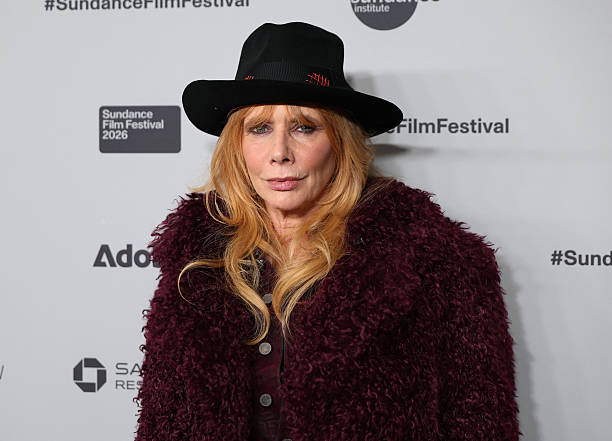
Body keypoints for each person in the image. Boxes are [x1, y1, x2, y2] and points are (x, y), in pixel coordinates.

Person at [134, 22, 520, 441]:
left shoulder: (439, 264)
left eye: (305, 127)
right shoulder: (194, 267)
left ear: (340, 142)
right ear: (237, 146)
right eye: (260, 128)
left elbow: (482, 424)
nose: (280, 153)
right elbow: (163, 423)